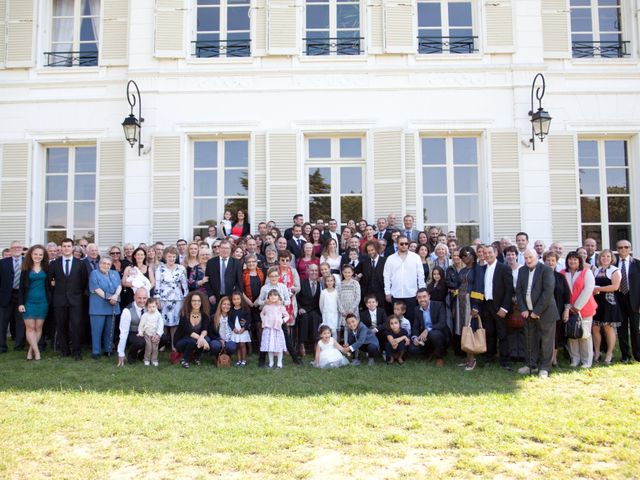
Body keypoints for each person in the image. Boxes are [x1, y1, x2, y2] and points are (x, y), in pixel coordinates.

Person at [516, 249, 559, 378]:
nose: (528, 260)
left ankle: (545, 367)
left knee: (546, 341)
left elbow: (547, 292)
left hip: (545, 312)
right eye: (526, 258)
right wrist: (523, 309)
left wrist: (536, 311)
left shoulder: (546, 270)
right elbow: (519, 291)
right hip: (527, 313)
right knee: (530, 339)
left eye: (531, 257)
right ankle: (531, 365)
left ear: (536, 257)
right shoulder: (522, 270)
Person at [48, 238, 88, 360]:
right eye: (64, 246)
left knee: (76, 326)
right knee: (61, 326)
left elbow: (83, 282)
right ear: (61, 248)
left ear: (72, 248)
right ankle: (64, 351)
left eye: (69, 246)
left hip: (75, 300)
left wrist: (77, 294)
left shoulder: (80, 263)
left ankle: (76, 351)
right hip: (59, 300)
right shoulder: (54, 263)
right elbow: (50, 281)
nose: (66, 248)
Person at [481, 244, 514, 370]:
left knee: (503, 334)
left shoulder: (504, 268)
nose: (487, 255)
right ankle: (490, 357)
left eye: (490, 253)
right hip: (487, 305)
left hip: (500, 305)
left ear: (495, 254)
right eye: (485, 253)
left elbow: (509, 289)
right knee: (489, 332)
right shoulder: (483, 269)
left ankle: (505, 360)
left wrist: (504, 308)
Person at [451, 247, 483, 371]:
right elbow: (459, 285)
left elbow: (479, 288)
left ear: (473, 255)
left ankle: (472, 359)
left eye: (466, 255)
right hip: (460, 302)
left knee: (470, 329)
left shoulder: (478, 270)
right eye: (462, 256)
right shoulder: (463, 270)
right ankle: (467, 358)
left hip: (471, 302)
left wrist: (476, 306)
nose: (464, 258)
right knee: (463, 330)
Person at [563, 251, 597, 368]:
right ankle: (575, 359)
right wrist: (568, 307)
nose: (572, 261)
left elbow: (588, 290)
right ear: (567, 261)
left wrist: (577, 307)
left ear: (580, 261)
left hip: (584, 308)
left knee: (584, 334)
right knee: (572, 334)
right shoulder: (562, 273)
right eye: (570, 259)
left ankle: (587, 361)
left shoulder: (586, 272)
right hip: (568, 309)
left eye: (575, 259)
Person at [17, 245, 50, 361]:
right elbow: (21, 288)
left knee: (38, 327)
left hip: (43, 302)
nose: (38, 256)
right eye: (35, 254)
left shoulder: (47, 268)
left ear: (43, 256)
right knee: (30, 328)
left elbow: (50, 283)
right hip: (28, 302)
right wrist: (20, 303)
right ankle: (37, 353)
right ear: (31, 254)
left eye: (40, 254)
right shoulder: (26, 269)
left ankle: (30, 351)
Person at [383, 235, 425, 325]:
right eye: (401, 244)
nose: (404, 245)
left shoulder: (415, 257)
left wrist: (421, 292)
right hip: (396, 294)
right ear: (397, 244)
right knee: (396, 321)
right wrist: (387, 292)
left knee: (412, 320)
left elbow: (421, 276)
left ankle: (412, 338)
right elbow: (386, 277)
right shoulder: (390, 259)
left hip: (411, 294)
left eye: (406, 243)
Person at [154, 246, 188, 351]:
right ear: (165, 256)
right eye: (169, 256)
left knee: (175, 323)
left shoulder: (181, 268)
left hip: (177, 299)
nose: (171, 259)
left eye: (174, 256)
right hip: (164, 298)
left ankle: (174, 344)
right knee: (163, 322)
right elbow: (157, 284)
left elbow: (184, 285)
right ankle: (162, 344)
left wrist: (186, 298)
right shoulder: (160, 269)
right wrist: (157, 298)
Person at [88, 256, 122, 359]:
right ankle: (96, 351)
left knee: (109, 329)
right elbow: (96, 288)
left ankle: (108, 349)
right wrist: (109, 297)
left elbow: (119, 286)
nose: (106, 266)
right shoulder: (94, 273)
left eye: (108, 264)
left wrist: (116, 296)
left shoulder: (115, 273)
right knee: (97, 330)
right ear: (99, 264)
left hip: (113, 305)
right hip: (98, 306)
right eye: (104, 263)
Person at [592, 249, 621, 365]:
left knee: (608, 328)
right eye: (603, 256)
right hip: (597, 302)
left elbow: (615, 287)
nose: (605, 258)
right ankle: (597, 352)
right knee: (595, 328)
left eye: (608, 256)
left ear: (611, 258)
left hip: (609, 302)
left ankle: (609, 353)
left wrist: (598, 288)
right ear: (600, 258)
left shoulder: (615, 271)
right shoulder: (596, 270)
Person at [409, 288, 449, 367]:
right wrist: (415, 338)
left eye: (424, 296)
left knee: (433, 334)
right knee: (412, 349)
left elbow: (442, 323)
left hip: (439, 334)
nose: (422, 299)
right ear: (417, 298)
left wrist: (427, 330)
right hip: (425, 337)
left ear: (429, 297)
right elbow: (415, 326)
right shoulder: (417, 309)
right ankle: (430, 351)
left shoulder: (439, 305)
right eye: (419, 297)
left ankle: (439, 357)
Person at [614, 239, 640, 363]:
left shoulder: (638, 264)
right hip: (619, 299)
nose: (623, 249)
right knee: (621, 328)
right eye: (620, 247)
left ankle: (638, 354)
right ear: (617, 249)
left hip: (634, 300)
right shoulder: (613, 264)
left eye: (626, 247)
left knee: (635, 328)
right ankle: (625, 355)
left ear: (630, 249)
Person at [544, 251, 570, 367]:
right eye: (548, 260)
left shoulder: (560, 277)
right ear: (544, 262)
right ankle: (546, 359)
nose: (550, 263)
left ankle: (554, 359)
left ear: (556, 262)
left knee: (557, 335)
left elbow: (567, 295)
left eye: (553, 260)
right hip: (543, 312)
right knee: (546, 336)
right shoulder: (540, 276)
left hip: (558, 311)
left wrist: (566, 310)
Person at [174, 291, 211, 368]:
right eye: (193, 301)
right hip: (181, 340)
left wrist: (202, 338)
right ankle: (185, 359)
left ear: (201, 302)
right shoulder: (184, 313)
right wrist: (202, 341)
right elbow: (189, 332)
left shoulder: (204, 313)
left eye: (198, 301)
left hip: (195, 339)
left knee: (206, 339)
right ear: (189, 302)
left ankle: (196, 357)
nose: (196, 303)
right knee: (193, 341)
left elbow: (205, 329)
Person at [117, 288, 152, 366]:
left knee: (163, 338)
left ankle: (142, 355)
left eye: (144, 298)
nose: (142, 301)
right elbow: (123, 333)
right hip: (133, 332)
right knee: (140, 342)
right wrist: (121, 353)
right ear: (134, 297)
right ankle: (131, 356)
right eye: (139, 298)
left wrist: (158, 334)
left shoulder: (151, 307)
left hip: (147, 331)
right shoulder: (127, 311)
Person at [0, 240, 25, 352]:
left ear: (22, 249)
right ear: (10, 250)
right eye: (14, 247)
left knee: (20, 322)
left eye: (19, 247)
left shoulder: (27, 262)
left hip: (21, 295)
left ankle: (19, 345)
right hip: (5, 296)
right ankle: (2, 346)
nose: (16, 249)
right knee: (2, 322)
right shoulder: (3, 262)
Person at [204, 239, 243, 310]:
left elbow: (239, 282)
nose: (225, 250)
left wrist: (236, 297)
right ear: (219, 249)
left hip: (231, 298)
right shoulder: (211, 262)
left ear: (230, 249)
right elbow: (206, 281)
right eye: (223, 248)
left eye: (227, 248)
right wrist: (210, 295)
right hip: (215, 297)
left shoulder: (236, 263)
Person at [296, 263, 322, 355]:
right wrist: (299, 308)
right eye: (312, 270)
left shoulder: (321, 284)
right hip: (304, 309)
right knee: (304, 317)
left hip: (315, 310)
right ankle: (301, 343)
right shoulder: (302, 283)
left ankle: (316, 342)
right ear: (307, 271)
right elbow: (296, 298)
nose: (314, 272)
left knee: (315, 317)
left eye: (316, 270)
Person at [260, 289, 288, 368]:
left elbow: (287, 315)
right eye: (271, 295)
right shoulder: (266, 307)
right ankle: (271, 362)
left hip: (277, 329)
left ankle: (279, 362)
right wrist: (264, 320)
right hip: (268, 329)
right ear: (268, 297)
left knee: (278, 346)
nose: (273, 297)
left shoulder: (280, 307)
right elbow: (262, 314)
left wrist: (282, 321)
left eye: (275, 295)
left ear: (278, 297)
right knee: (270, 347)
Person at [360, 240, 387, 311]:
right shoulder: (364, 263)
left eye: (372, 250)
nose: (370, 252)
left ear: (377, 249)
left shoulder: (385, 261)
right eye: (368, 250)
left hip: (382, 295)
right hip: (368, 295)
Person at [137, 297, 163, 366]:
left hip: (154, 334)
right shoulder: (145, 315)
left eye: (153, 306)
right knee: (149, 347)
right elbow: (141, 324)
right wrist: (140, 331)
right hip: (147, 333)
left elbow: (160, 325)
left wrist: (158, 334)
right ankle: (146, 359)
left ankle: (154, 360)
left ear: (156, 306)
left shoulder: (158, 315)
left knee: (155, 348)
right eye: (150, 307)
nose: (152, 309)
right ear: (147, 307)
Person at [229, 291, 251, 366]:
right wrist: (233, 328)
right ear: (232, 300)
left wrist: (244, 328)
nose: (236, 301)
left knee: (242, 345)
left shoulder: (245, 309)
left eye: (238, 299)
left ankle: (244, 360)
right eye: (234, 299)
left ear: (241, 299)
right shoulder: (231, 310)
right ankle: (239, 360)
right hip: (235, 330)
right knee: (237, 345)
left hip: (243, 330)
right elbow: (229, 321)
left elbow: (248, 320)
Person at [338, 264, 361, 331]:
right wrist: (342, 310)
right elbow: (338, 298)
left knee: (354, 327)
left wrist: (351, 309)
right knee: (346, 328)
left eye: (349, 272)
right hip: (344, 311)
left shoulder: (355, 283)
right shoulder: (340, 284)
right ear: (342, 272)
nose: (347, 274)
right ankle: (346, 341)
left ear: (352, 273)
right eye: (345, 272)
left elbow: (358, 297)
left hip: (353, 310)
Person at [319, 274, 339, 340]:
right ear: (325, 282)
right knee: (326, 330)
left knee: (334, 331)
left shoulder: (337, 292)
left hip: (334, 314)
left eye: (331, 281)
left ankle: (335, 346)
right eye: (328, 281)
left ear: (334, 282)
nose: (329, 282)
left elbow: (338, 303)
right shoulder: (323, 292)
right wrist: (324, 312)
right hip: (326, 314)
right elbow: (321, 304)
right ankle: (327, 345)